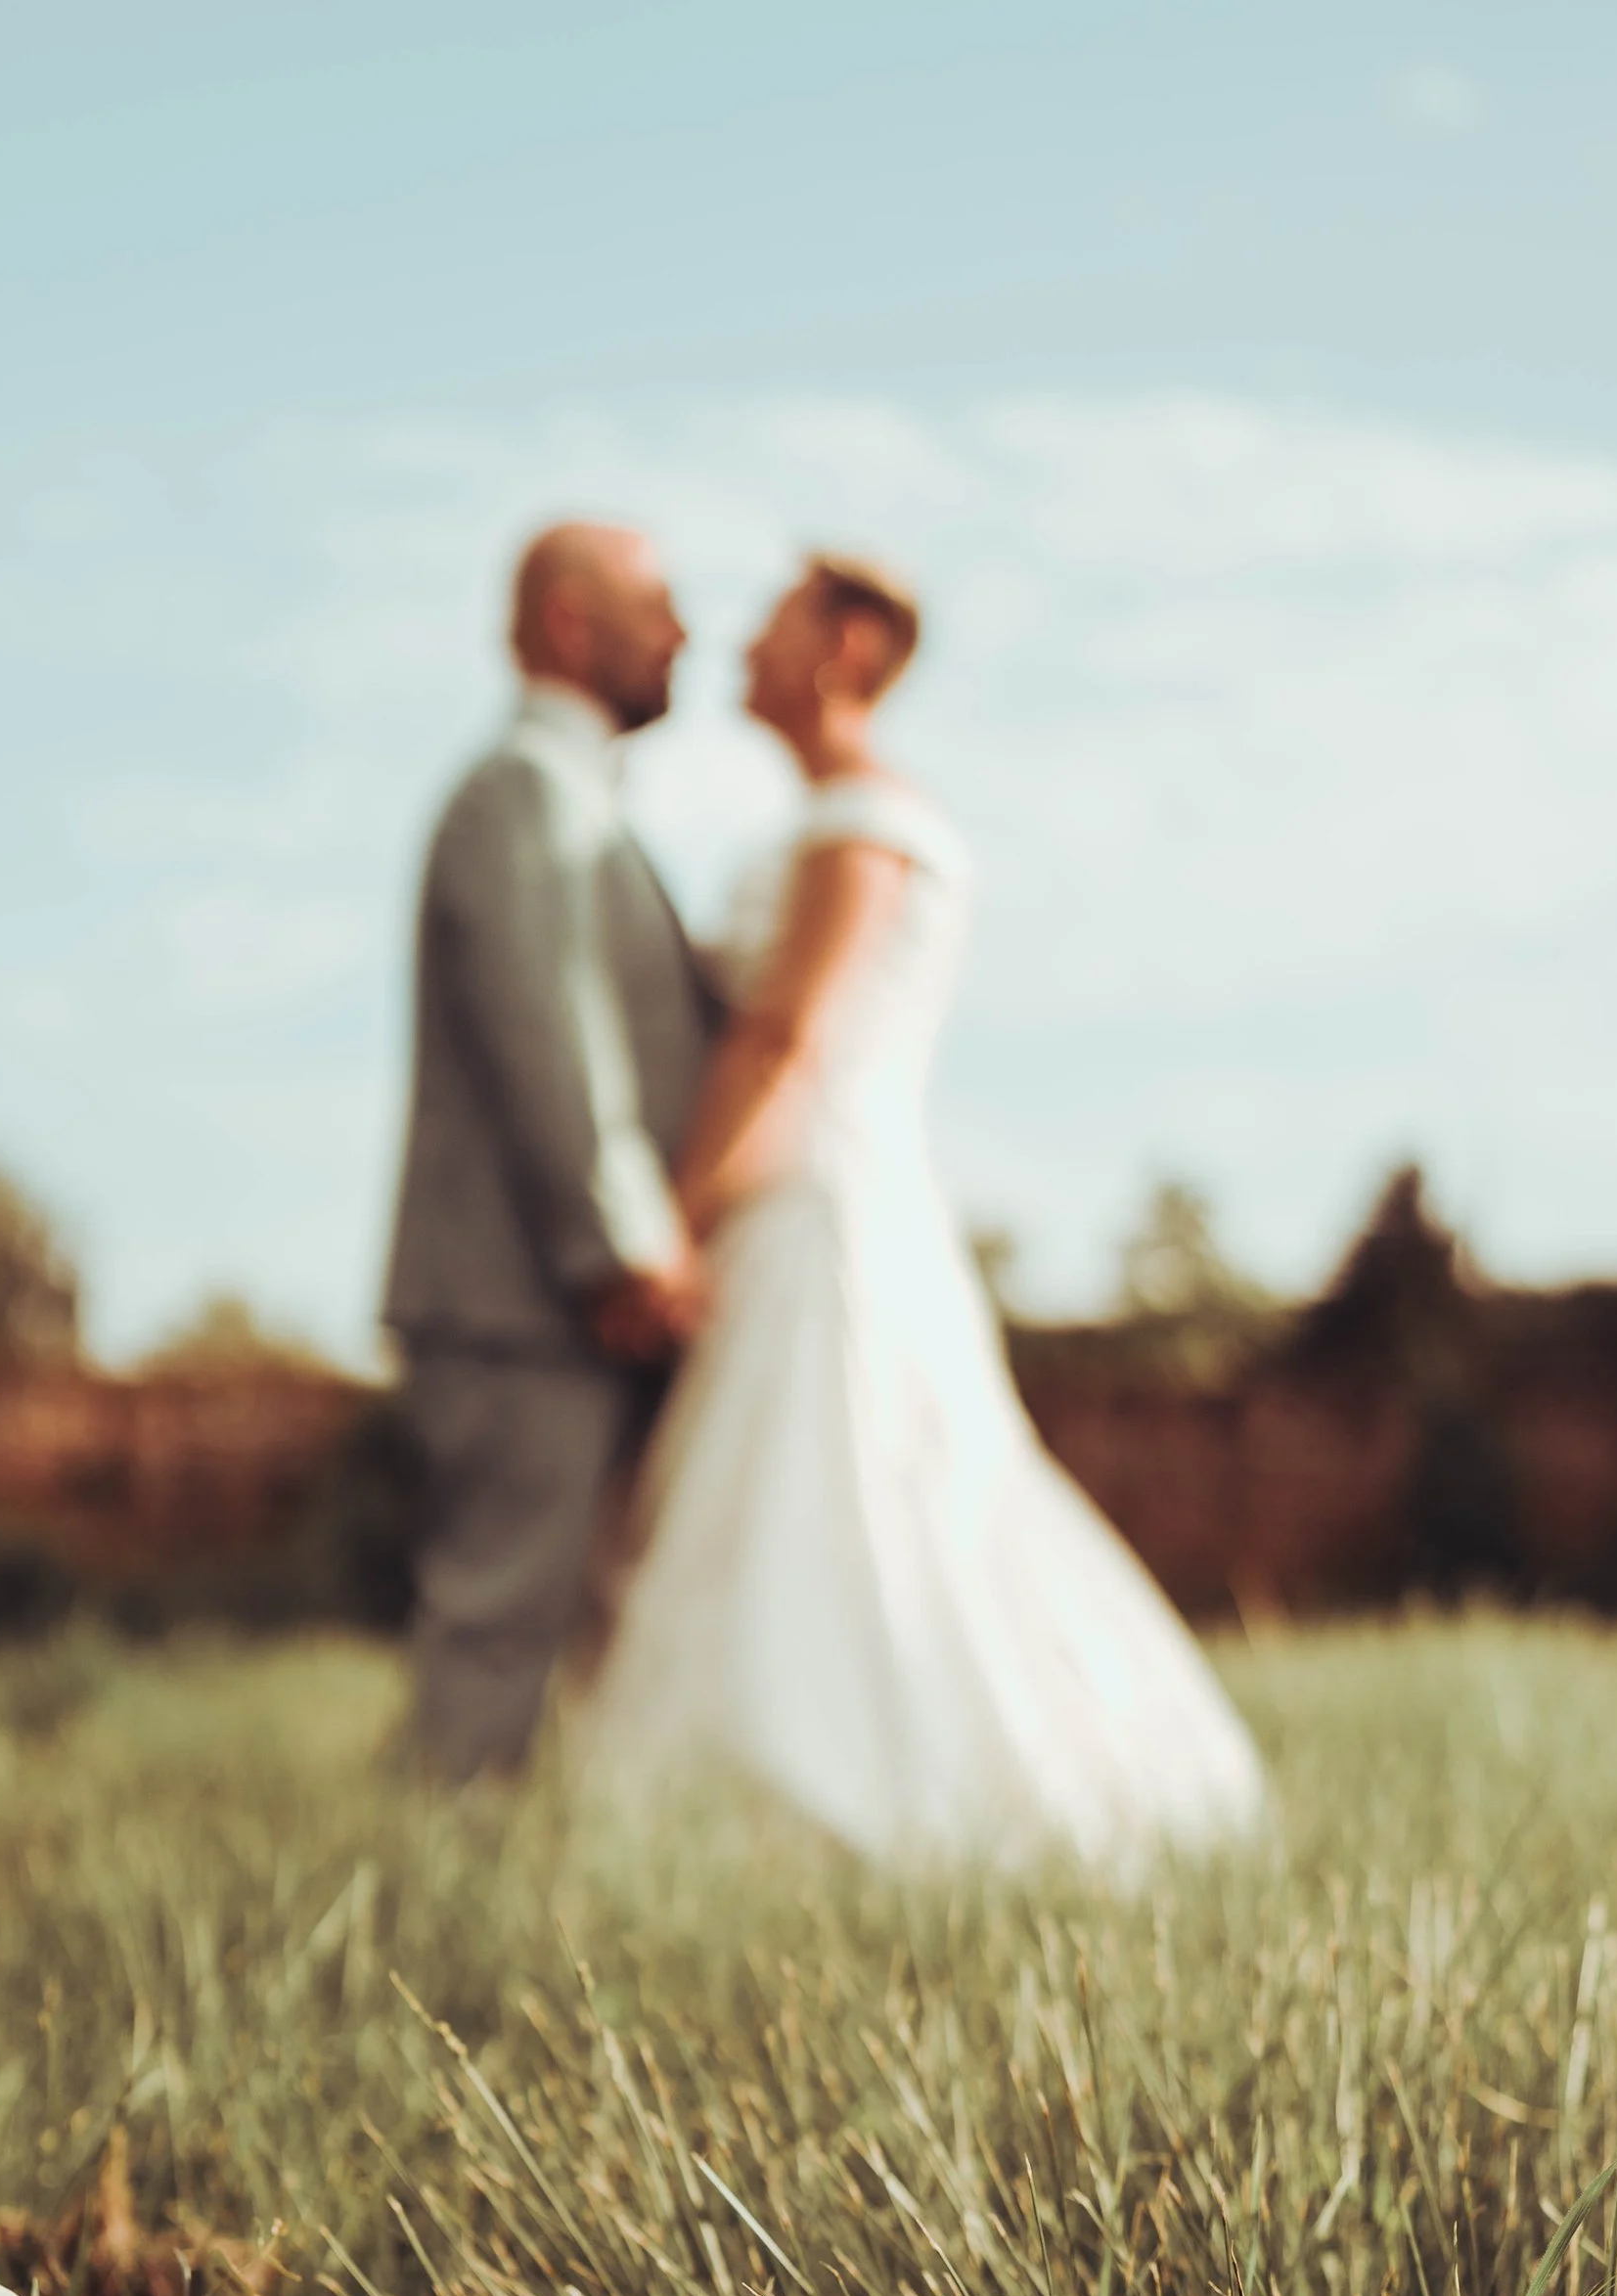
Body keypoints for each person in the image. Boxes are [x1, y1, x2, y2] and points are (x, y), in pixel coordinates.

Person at [581, 555, 1268, 1871]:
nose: (742, 644)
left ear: (846, 646)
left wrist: (671, 1220)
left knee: (865, 1508)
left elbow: (784, 1041)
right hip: (812, 1201)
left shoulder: (861, 829)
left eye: (774, 622)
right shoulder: (834, 823)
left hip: (823, 1211)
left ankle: (889, 1811)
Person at [382, 522, 716, 1782]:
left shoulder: (574, 802)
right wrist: (618, 1245)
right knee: (497, 1630)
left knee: (558, 1641)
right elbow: (549, 1027)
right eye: (658, 605)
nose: (684, 635)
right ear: (570, 624)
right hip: (523, 1300)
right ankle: (418, 1934)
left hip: (554, 1302)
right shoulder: (522, 789)